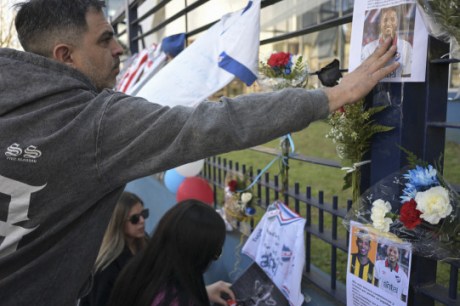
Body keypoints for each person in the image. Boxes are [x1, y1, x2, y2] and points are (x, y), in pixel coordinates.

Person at [0, 0, 399, 305]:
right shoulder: (92, 123)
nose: (120, 48)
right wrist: (332, 96)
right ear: (65, 55)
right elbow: (215, 123)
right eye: (105, 39)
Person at [108, 199, 235, 306]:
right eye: (215, 254)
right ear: (196, 256)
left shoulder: (139, 267)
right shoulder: (175, 299)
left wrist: (204, 292)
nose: (141, 221)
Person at [79, 192, 149, 306]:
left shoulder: (145, 244)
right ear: (119, 221)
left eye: (144, 214)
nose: (142, 221)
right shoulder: (106, 267)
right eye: (135, 219)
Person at [361, 6, 413, 78]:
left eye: (392, 19)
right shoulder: (368, 49)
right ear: (380, 24)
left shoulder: (406, 47)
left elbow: (408, 75)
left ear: (397, 22)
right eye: (385, 20)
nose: (388, 23)